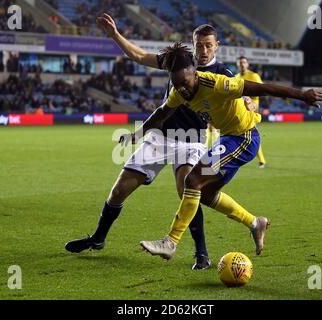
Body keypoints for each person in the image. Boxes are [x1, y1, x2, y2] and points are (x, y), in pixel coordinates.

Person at [131, 42, 322, 260]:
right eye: (176, 84)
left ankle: (170, 242)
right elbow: (161, 112)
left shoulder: (220, 85)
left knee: (192, 180)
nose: (181, 89)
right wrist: (139, 134)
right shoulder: (179, 92)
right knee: (204, 194)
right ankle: (255, 223)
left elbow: (262, 88)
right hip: (227, 138)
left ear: (195, 74)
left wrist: (303, 95)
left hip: (244, 138)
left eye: (185, 83)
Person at [65, 14, 232, 270]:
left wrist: (249, 104)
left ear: (217, 45)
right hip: (159, 136)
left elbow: (243, 94)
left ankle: (202, 254)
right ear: (193, 43)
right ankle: (98, 238)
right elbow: (140, 56)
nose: (204, 50)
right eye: (199, 45)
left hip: (192, 141)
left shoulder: (222, 73)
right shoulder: (179, 60)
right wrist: (114, 34)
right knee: (119, 190)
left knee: (188, 189)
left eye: (209, 45)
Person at [236, 56, 267, 168]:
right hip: (240, 110)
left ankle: (262, 161)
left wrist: (249, 97)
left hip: (251, 110)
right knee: (244, 134)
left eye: (244, 62)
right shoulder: (236, 77)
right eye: (240, 63)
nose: (242, 64)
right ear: (237, 65)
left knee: (251, 134)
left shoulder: (254, 76)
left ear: (247, 64)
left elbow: (263, 89)